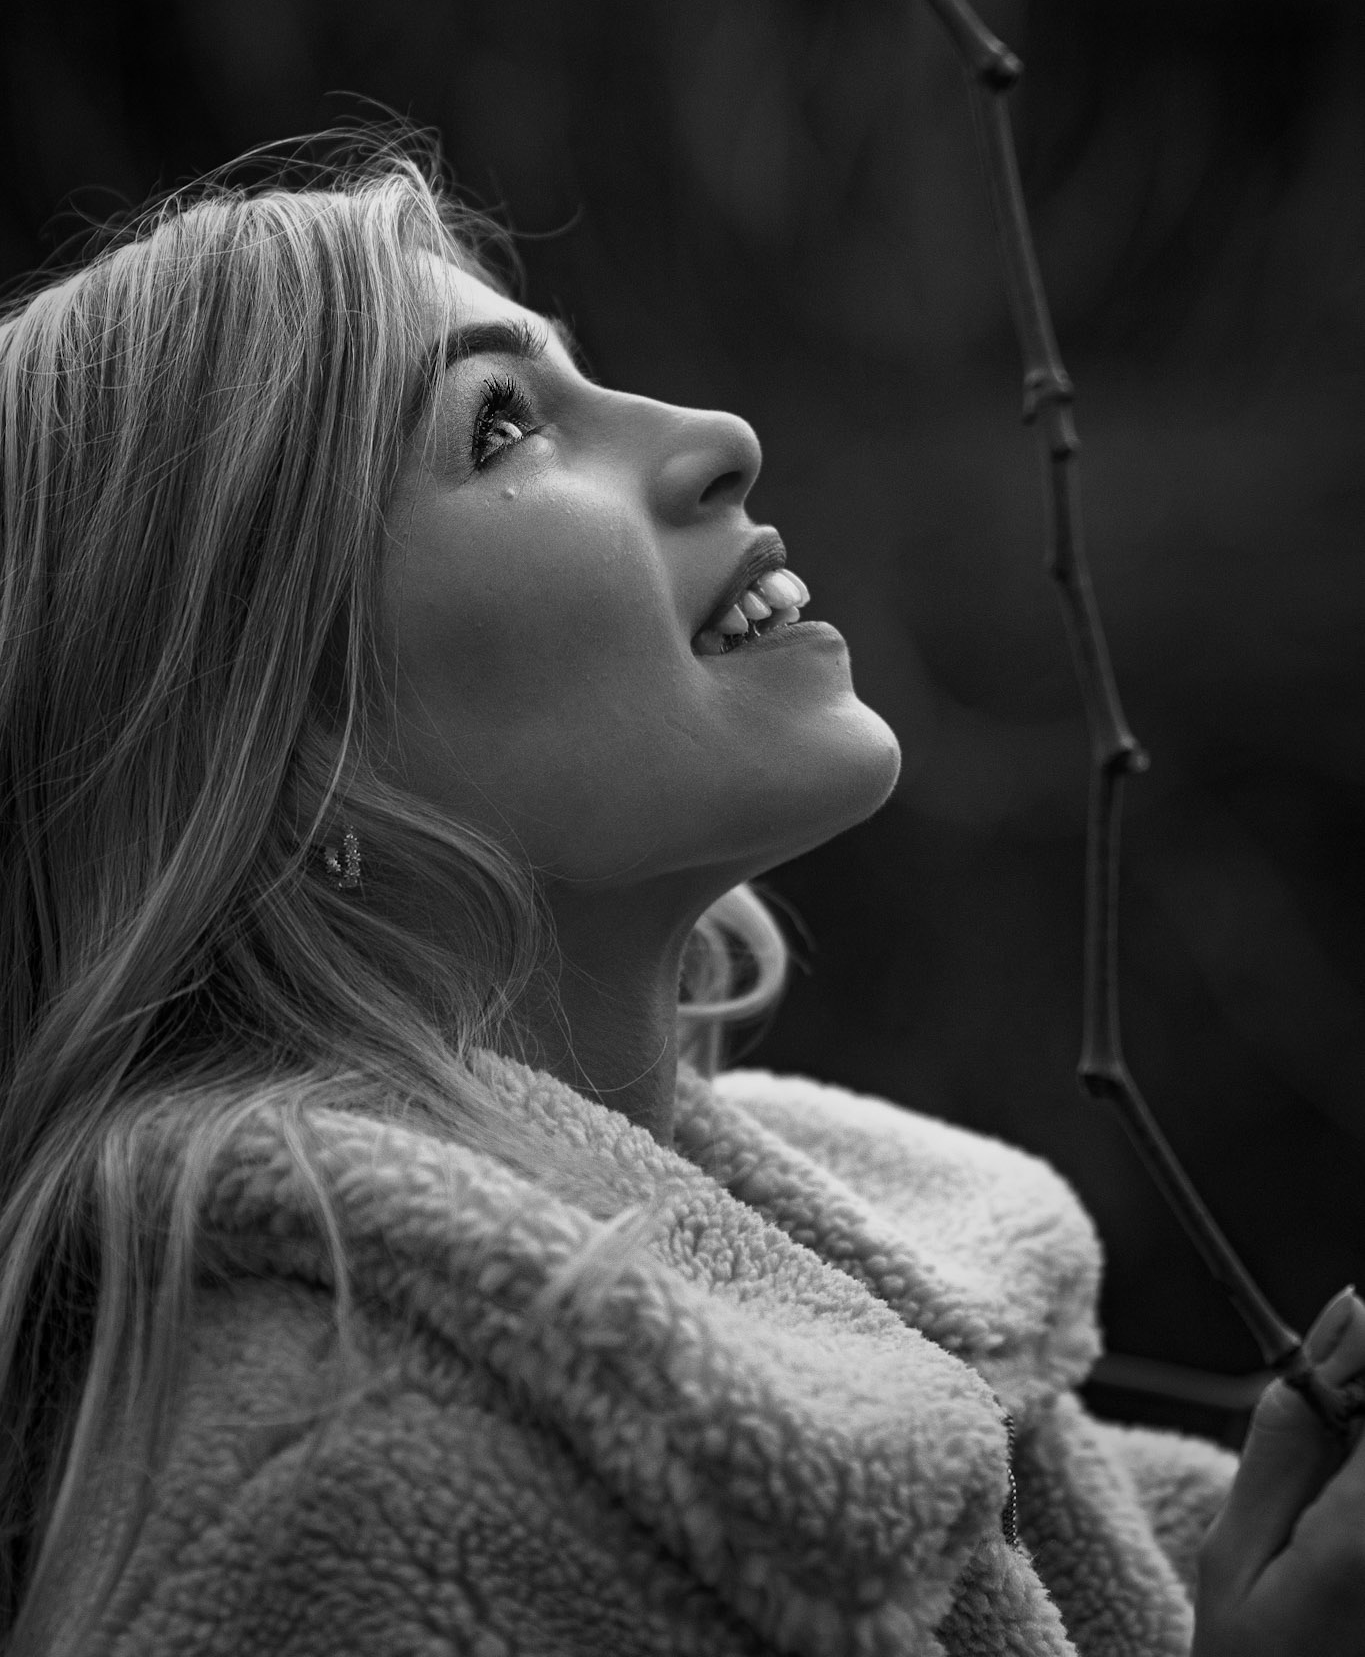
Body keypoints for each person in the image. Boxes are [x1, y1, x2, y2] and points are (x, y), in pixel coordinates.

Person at [0, 137, 1361, 1657]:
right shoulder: (357, 1477)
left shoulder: (888, 1328)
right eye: (501, 423)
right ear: (284, 751)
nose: (720, 436)